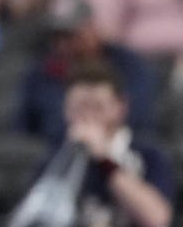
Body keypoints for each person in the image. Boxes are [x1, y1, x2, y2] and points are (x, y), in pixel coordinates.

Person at [19, 0, 156, 145]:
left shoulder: (128, 63)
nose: (64, 44)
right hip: (59, 153)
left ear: (92, 28)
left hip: (124, 149)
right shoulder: (41, 73)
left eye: (72, 35)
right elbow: (24, 129)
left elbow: (140, 116)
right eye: (57, 37)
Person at [47, 63, 174, 227]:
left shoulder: (149, 155)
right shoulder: (56, 158)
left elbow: (157, 219)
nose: (87, 116)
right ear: (65, 110)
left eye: (97, 107)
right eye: (79, 107)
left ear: (120, 107)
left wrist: (105, 160)